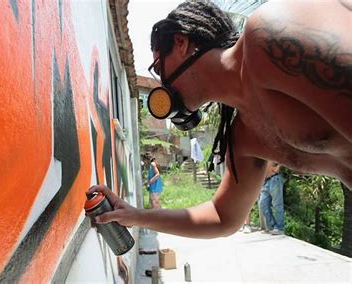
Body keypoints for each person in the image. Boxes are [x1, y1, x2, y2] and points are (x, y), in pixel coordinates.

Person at [87, 0, 351, 239]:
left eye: (159, 69)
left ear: (181, 43)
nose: (163, 83)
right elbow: (221, 217)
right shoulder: (246, 136)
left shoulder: (268, 36)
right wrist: (134, 215)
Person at [259, 162, 285, 235]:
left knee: (277, 205)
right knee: (262, 204)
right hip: (265, 181)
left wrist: (277, 168)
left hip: (275, 179)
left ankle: (280, 228)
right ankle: (272, 226)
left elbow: (282, 160)